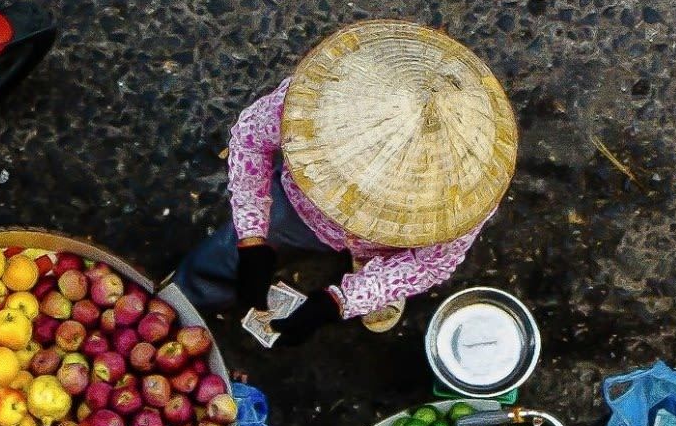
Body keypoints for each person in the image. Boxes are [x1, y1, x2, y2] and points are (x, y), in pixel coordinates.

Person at [174, 20, 517, 341]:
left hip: (390, 243)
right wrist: (252, 238)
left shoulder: (473, 188)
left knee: (391, 275)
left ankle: (372, 273)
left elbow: (429, 261)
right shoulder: (317, 99)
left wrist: (340, 301)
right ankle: (186, 301)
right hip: (300, 209)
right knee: (225, 254)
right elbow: (251, 139)